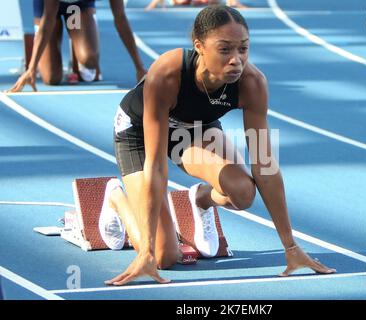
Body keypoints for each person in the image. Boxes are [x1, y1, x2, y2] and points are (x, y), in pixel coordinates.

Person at [101, 5, 336, 286]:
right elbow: (156, 165)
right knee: (164, 256)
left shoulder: (253, 83)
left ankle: (199, 200)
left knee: (243, 192)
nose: (236, 60)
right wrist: (147, 250)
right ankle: (117, 199)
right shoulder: (167, 73)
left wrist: (291, 246)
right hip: (139, 132)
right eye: (225, 50)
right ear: (199, 46)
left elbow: (266, 166)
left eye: (243, 49)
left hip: (195, 129)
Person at [7, 0, 147, 93]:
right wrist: (31, 68)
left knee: (90, 60)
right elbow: (48, 19)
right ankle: (65, 37)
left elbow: (120, 18)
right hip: (48, 8)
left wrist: (139, 67)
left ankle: (78, 41)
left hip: (80, 7)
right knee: (51, 79)